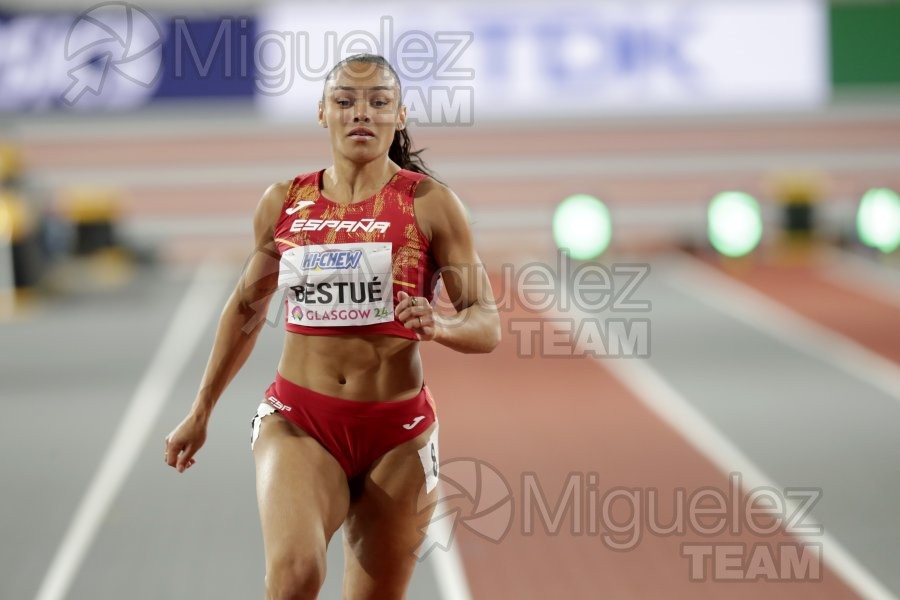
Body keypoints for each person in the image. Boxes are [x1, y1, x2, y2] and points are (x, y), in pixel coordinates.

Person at [164, 53, 501, 600]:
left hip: (398, 434)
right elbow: (245, 311)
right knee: (296, 575)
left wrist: (439, 326)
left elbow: (487, 324)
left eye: (377, 102)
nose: (360, 113)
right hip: (301, 421)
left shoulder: (431, 205)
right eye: (344, 102)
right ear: (323, 112)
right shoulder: (284, 202)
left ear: (400, 115)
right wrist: (200, 411)